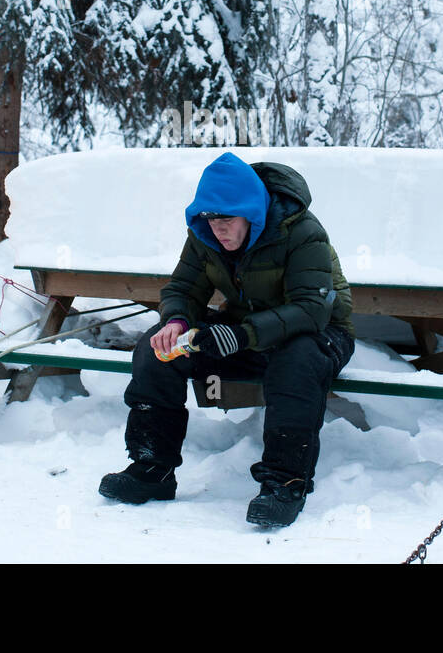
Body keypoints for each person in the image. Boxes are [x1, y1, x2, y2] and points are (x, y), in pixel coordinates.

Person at [98, 151, 355, 527]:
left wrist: (242, 334)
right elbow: (183, 287)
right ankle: (152, 468)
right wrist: (176, 320)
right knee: (157, 350)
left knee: (296, 361)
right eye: (210, 219)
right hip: (246, 333)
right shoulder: (205, 236)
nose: (217, 229)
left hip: (319, 334)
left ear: (251, 213)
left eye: (226, 220)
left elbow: (311, 310)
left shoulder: (301, 231)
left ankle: (285, 483)